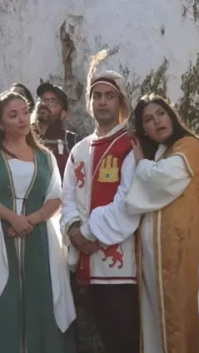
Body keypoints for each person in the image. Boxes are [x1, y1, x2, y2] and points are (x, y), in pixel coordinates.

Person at [0, 91, 76, 352]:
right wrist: (13, 218)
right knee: (2, 297)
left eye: (25, 111)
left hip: (39, 238)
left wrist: (31, 221)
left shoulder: (45, 156)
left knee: (40, 297)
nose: (22, 119)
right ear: (0, 123)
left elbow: (56, 196)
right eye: (13, 115)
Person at [60, 50, 140, 353]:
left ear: (121, 103)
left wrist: (88, 233)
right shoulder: (79, 149)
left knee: (124, 341)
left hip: (120, 266)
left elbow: (130, 200)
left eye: (109, 96)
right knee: (95, 341)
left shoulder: (129, 145)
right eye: (97, 96)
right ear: (90, 103)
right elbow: (66, 196)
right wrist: (73, 230)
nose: (103, 101)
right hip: (85, 263)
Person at [126, 93, 199, 352]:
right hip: (157, 256)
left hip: (184, 248)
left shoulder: (190, 146)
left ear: (171, 115)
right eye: (148, 120)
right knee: (157, 319)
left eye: (161, 113)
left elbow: (162, 180)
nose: (157, 122)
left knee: (182, 317)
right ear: (145, 131)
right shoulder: (163, 153)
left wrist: (141, 164)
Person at [33, 82, 78, 178]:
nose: (44, 104)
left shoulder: (72, 142)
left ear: (63, 114)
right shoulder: (23, 137)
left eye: (52, 102)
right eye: (41, 99)